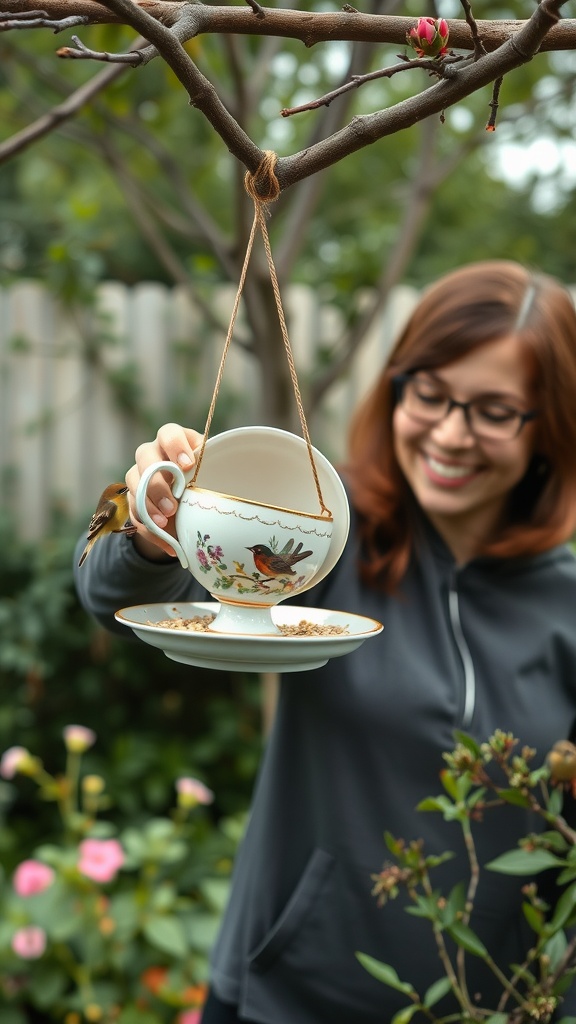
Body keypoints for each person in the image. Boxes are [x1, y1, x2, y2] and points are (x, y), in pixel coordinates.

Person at [74, 260, 576, 1024]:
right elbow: (117, 598)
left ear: (552, 426)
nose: (449, 432)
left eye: (494, 411)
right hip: (284, 996)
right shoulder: (323, 537)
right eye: (430, 393)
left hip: (488, 1008)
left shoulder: (564, 602)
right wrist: (148, 535)